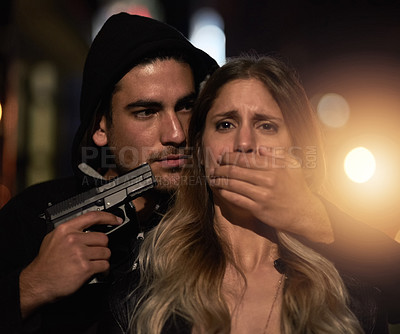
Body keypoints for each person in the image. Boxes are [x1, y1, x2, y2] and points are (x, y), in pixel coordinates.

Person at [0, 12, 399, 334]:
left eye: (187, 107)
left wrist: (314, 215)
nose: (175, 134)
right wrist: (30, 287)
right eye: (147, 111)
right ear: (100, 127)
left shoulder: (210, 208)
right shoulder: (36, 217)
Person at [124, 55, 400, 334]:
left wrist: (314, 216)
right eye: (225, 124)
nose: (244, 143)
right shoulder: (145, 287)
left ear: (296, 149)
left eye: (266, 126)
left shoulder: (351, 292)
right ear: (199, 147)